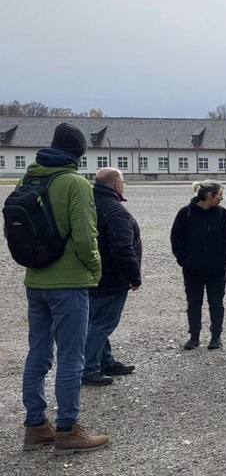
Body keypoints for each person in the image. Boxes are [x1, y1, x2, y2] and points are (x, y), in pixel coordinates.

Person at [15, 123, 110, 454]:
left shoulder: (29, 178)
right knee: (72, 356)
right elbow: (86, 237)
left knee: (38, 354)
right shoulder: (75, 183)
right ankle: (68, 430)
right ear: (79, 154)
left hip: (35, 280)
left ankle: (35, 426)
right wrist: (95, 269)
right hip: (68, 283)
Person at [82, 168, 142, 387]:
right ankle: (88, 370)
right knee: (101, 325)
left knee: (97, 322)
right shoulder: (116, 211)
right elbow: (122, 247)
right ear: (117, 185)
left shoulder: (88, 206)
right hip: (111, 279)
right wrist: (134, 276)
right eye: (123, 182)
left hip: (91, 275)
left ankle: (106, 361)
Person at [171, 180, 226, 350]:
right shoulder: (185, 214)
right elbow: (176, 239)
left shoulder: (222, 214)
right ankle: (194, 336)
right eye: (220, 194)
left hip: (216, 270)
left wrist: (223, 261)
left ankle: (216, 336)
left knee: (216, 303)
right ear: (209, 196)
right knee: (193, 304)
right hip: (193, 270)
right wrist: (185, 261)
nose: (222, 198)